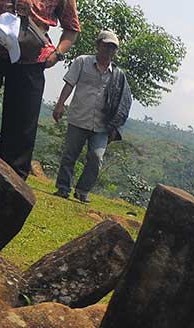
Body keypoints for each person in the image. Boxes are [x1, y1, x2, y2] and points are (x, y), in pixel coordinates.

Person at [0, 0, 81, 179]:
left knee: (21, 129)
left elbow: (71, 28)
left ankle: (11, 185)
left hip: (32, 58)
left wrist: (56, 55)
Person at [52, 30, 132, 203]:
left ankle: (82, 191)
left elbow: (123, 102)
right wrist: (60, 105)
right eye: (106, 46)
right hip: (79, 117)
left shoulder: (118, 75)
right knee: (69, 155)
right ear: (98, 45)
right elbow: (69, 84)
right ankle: (63, 188)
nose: (109, 50)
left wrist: (115, 127)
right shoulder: (82, 62)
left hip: (102, 125)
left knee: (96, 157)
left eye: (112, 48)